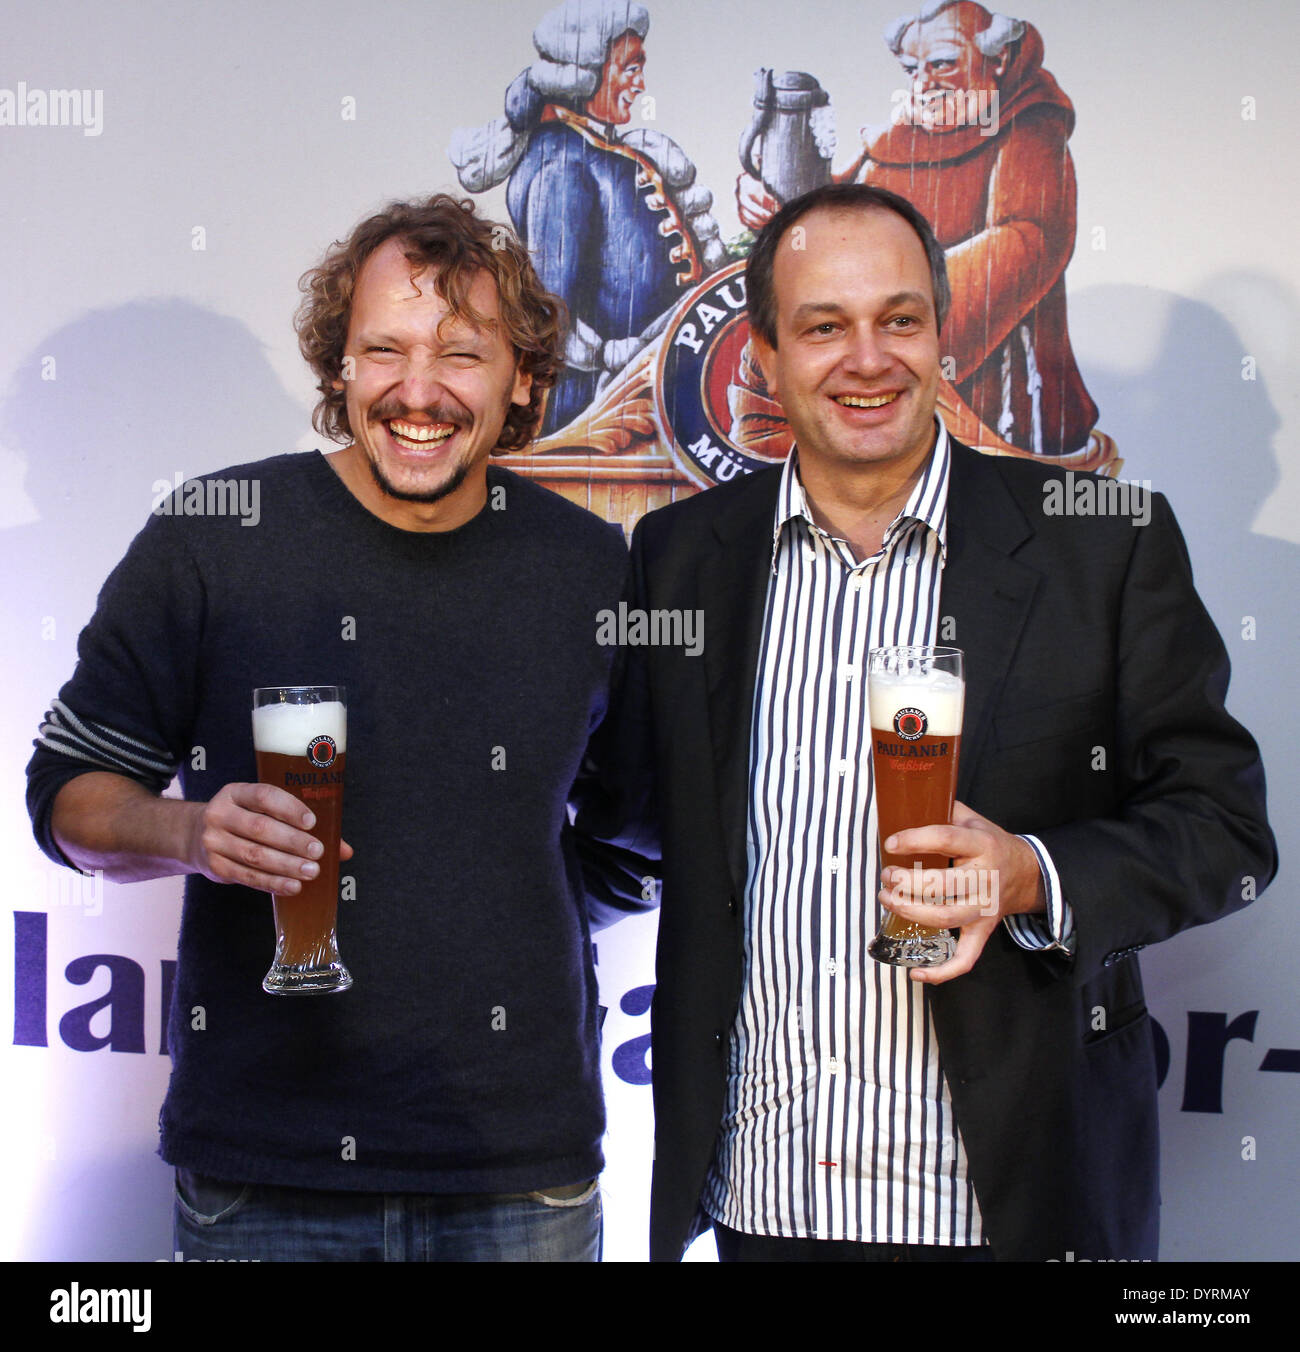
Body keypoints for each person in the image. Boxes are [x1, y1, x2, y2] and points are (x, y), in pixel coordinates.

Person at [579, 182, 1275, 1261]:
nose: (868, 359)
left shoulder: (1101, 543)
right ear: (762, 353)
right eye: (823, 326)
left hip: (1004, 1208)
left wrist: (1031, 871)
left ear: (942, 332)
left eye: (898, 319)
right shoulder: (678, 559)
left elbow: (1224, 829)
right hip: (767, 1201)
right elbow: (626, 825)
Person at [25, 194, 645, 1262]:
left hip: (518, 1170)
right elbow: (67, 793)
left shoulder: (593, 568)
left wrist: (499, 905)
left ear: (524, 380)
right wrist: (188, 832)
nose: (418, 389)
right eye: (383, 350)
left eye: (461, 353)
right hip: (264, 1167)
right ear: (338, 369)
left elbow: (636, 838)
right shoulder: (214, 540)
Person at [737, 1, 1098, 459]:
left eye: (943, 63)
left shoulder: (1029, 127)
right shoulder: (904, 133)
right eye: (914, 68)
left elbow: (1027, 241)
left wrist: (902, 325)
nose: (924, 83)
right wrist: (774, 209)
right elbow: (833, 212)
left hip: (988, 404)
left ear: (998, 59)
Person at [449, 0, 725, 433]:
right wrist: (614, 357)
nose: (640, 85)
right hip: (593, 405)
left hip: (649, 393)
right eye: (630, 69)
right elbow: (551, 312)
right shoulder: (560, 163)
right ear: (588, 72)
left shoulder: (603, 150)